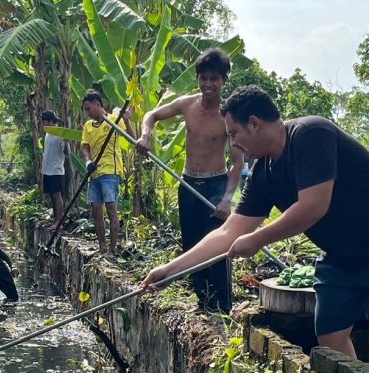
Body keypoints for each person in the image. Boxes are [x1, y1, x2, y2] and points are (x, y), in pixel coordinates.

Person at [141, 85, 369, 373]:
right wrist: (170, 270)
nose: (233, 143)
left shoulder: (310, 134)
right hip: (344, 255)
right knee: (331, 335)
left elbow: (313, 206)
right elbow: (228, 232)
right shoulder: (263, 174)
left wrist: (257, 238)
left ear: (254, 123)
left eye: (234, 133)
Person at [136, 48, 243, 314]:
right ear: (197, 78)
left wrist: (226, 199)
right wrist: (145, 135)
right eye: (203, 78)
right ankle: (203, 302)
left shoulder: (228, 115)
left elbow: (237, 162)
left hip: (216, 185)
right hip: (188, 183)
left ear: (224, 80)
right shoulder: (187, 104)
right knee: (192, 244)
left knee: (217, 246)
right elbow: (151, 115)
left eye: (214, 79)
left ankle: (223, 306)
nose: (208, 84)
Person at [80, 89, 134, 257]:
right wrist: (88, 161)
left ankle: (112, 249)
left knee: (111, 208)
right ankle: (102, 246)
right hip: (94, 173)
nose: (88, 113)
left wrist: (126, 120)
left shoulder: (113, 120)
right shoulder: (88, 126)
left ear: (98, 104)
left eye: (89, 109)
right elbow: (85, 147)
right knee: (96, 210)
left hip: (110, 172)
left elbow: (131, 138)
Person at [40, 110, 67, 229]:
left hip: (56, 169)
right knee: (52, 195)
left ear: (51, 121)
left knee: (57, 195)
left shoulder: (59, 134)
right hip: (47, 169)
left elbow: (65, 151)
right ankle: (55, 218)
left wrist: (66, 141)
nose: (43, 124)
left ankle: (58, 222)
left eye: (44, 122)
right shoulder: (48, 134)